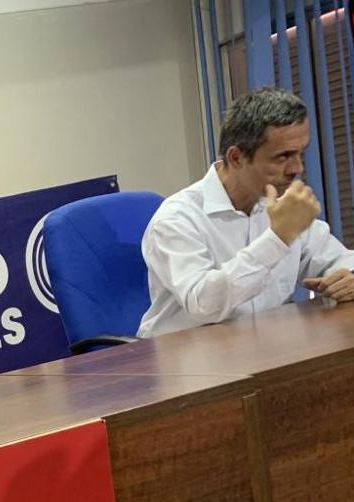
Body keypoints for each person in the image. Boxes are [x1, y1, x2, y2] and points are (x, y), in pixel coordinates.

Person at [137, 87, 354, 338]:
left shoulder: (278, 202)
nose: (297, 168)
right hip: (189, 360)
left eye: (300, 154)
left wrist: (349, 276)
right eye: (283, 156)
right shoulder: (177, 219)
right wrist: (277, 239)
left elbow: (337, 258)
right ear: (236, 157)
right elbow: (203, 304)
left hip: (263, 347)